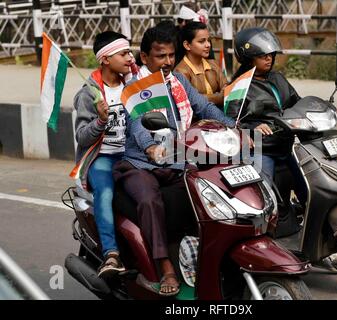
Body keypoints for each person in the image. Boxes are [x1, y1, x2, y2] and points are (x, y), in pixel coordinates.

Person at [112, 26, 235, 296]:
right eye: (160, 56)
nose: (167, 62)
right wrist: (151, 149)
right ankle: (165, 265)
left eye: (171, 55)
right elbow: (138, 122)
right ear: (144, 57)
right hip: (140, 164)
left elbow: (205, 107)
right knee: (148, 199)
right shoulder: (134, 88)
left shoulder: (178, 80)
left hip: (180, 160)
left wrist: (234, 128)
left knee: (211, 189)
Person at [73, 31, 135, 278]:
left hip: (132, 155)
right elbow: (82, 136)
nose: (130, 57)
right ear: (105, 59)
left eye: (130, 52)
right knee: (105, 192)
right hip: (103, 157)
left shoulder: (133, 85)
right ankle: (111, 254)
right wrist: (100, 120)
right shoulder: (89, 93)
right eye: (124, 53)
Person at [225, 27, 307, 205]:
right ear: (248, 58)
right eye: (262, 55)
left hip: (286, 145)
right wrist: (252, 128)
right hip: (263, 149)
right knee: (264, 197)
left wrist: (317, 109)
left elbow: (297, 102)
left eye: (270, 54)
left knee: (309, 186)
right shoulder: (239, 86)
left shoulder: (277, 78)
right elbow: (231, 122)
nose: (269, 58)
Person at [175, 22, 227, 109]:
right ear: (187, 45)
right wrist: (218, 97)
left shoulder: (213, 64)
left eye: (208, 40)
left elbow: (226, 88)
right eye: (202, 41)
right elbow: (192, 100)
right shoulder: (180, 72)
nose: (208, 45)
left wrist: (207, 97)